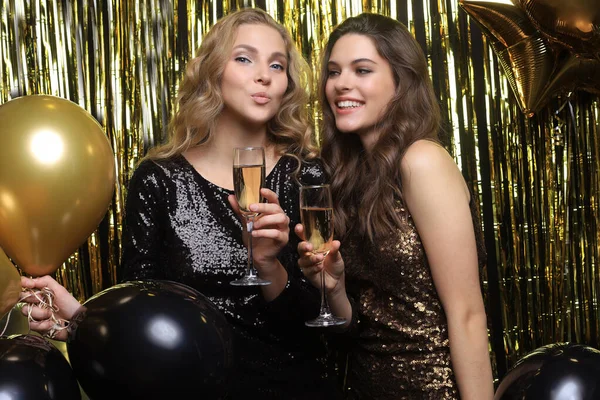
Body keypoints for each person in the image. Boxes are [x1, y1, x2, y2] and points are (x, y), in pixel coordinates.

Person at [20, 8, 340, 399]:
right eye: (244, 58)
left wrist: (269, 266)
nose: (265, 75)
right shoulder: (159, 179)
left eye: (278, 64)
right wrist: (79, 318)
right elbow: (138, 313)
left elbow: (323, 324)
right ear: (212, 71)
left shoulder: (304, 175)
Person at [295, 13, 495, 399]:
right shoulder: (347, 175)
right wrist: (333, 289)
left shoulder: (421, 162)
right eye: (334, 72)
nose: (341, 84)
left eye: (362, 70)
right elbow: (362, 322)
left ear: (400, 83)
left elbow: (467, 315)